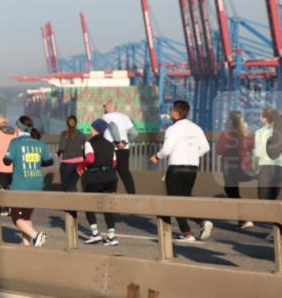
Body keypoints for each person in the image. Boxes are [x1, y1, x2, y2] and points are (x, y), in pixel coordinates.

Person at [149, 100, 213, 242]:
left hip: (176, 167)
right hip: (192, 168)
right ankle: (202, 222)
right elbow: (206, 147)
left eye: (171, 110)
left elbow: (166, 150)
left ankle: (187, 233)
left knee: (175, 201)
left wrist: (156, 157)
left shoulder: (172, 129)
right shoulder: (196, 128)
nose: (170, 113)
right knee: (185, 198)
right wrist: (193, 156)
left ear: (176, 114)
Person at [3, 116, 54, 247]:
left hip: (21, 185)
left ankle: (36, 236)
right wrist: (34, 161)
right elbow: (50, 161)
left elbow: (6, 161)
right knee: (26, 217)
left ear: (18, 128)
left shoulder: (15, 142)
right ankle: (26, 244)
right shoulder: (39, 143)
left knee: (16, 217)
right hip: (37, 184)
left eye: (15, 126)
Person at [78, 119, 120, 245]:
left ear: (96, 129)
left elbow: (90, 159)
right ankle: (112, 236)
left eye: (91, 127)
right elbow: (114, 163)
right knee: (108, 206)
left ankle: (95, 233)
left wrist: (80, 167)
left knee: (88, 204)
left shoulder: (89, 143)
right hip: (110, 178)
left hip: (94, 178)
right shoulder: (110, 144)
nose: (90, 129)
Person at [216, 110, 255, 228]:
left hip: (229, 167)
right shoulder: (247, 134)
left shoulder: (226, 134)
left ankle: (244, 218)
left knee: (231, 191)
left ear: (229, 120)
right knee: (233, 192)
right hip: (244, 166)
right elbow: (253, 147)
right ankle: (243, 219)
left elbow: (219, 150)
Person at [254, 107, 281, 240]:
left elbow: (258, 152)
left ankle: (274, 232)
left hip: (266, 168)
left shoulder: (260, 132)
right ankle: (274, 230)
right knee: (276, 201)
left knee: (266, 202)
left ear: (264, 118)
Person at [101, 100, 138, 194]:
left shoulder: (106, 117)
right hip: (124, 150)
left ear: (109, 107)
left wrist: (118, 142)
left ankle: (111, 194)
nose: (104, 108)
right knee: (125, 173)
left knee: (110, 173)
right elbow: (134, 133)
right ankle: (132, 195)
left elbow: (113, 127)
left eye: (105, 106)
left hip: (111, 149)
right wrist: (124, 143)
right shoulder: (125, 117)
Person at [58, 115, 87, 193]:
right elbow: (86, 148)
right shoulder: (81, 134)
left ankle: (69, 203)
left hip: (67, 163)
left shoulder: (64, 134)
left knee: (66, 186)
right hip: (79, 163)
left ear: (67, 123)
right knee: (73, 184)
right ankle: (74, 203)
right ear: (76, 123)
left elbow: (62, 148)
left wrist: (58, 153)